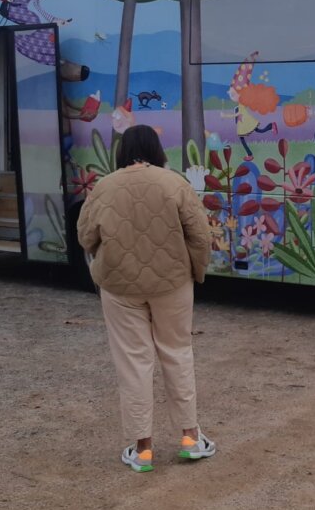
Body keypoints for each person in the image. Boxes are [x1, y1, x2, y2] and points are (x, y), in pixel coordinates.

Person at [76, 124, 214, 473]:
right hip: (172, 284)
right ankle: (190, 438)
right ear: (156, 150)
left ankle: (142, 450)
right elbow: (200, 235)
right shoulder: (175, 183)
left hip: (120, 287)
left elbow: (85, 237)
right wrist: (194, 271)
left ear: (122, 151)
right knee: (177, 352)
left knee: (133, 363)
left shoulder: (104, 187)